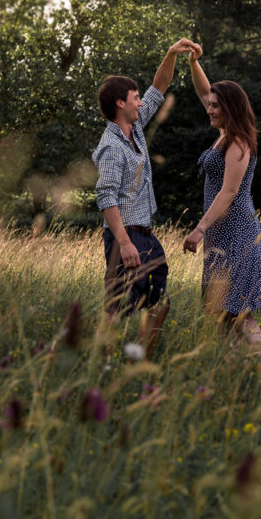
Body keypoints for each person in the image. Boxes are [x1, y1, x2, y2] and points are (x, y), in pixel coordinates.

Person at [92, 38, 200, 358]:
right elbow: (106, 197)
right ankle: (98, 368)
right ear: (119, 104)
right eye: (135, 99)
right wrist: (124, 243)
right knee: (115, 309)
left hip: (147, 236)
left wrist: (170, 54)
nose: (141, 103)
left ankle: (142, 359)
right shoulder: (111, 145)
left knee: (158, 302)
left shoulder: (135, 130)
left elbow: (159, 86)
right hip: (125, 236)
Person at [181, 50, 261, 342]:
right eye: (209, 106)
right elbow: (206, 92)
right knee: (221, 309)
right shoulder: (223, 133)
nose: (209, 110)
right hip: (220, 234)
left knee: (240, 310)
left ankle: (256, 362)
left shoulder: (239, 142)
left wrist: (199, 228)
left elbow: (230, 192)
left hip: (237, 233)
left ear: (230, 108)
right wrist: (193, 62)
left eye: (216, 107)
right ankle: (234, 370)